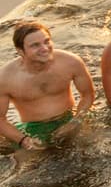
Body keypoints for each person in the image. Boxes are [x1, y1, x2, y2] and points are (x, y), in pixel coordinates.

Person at [1, 21, 96, 150]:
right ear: (20, 51)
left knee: (92, 150)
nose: (45, 49)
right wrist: (24, 140)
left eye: (47, 41)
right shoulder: (6, 78)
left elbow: (88, 95)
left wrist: (76, 121)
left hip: (70, 116)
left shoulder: (71, 62)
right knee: (26, 167)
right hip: (34, 128)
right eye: (35, 45)